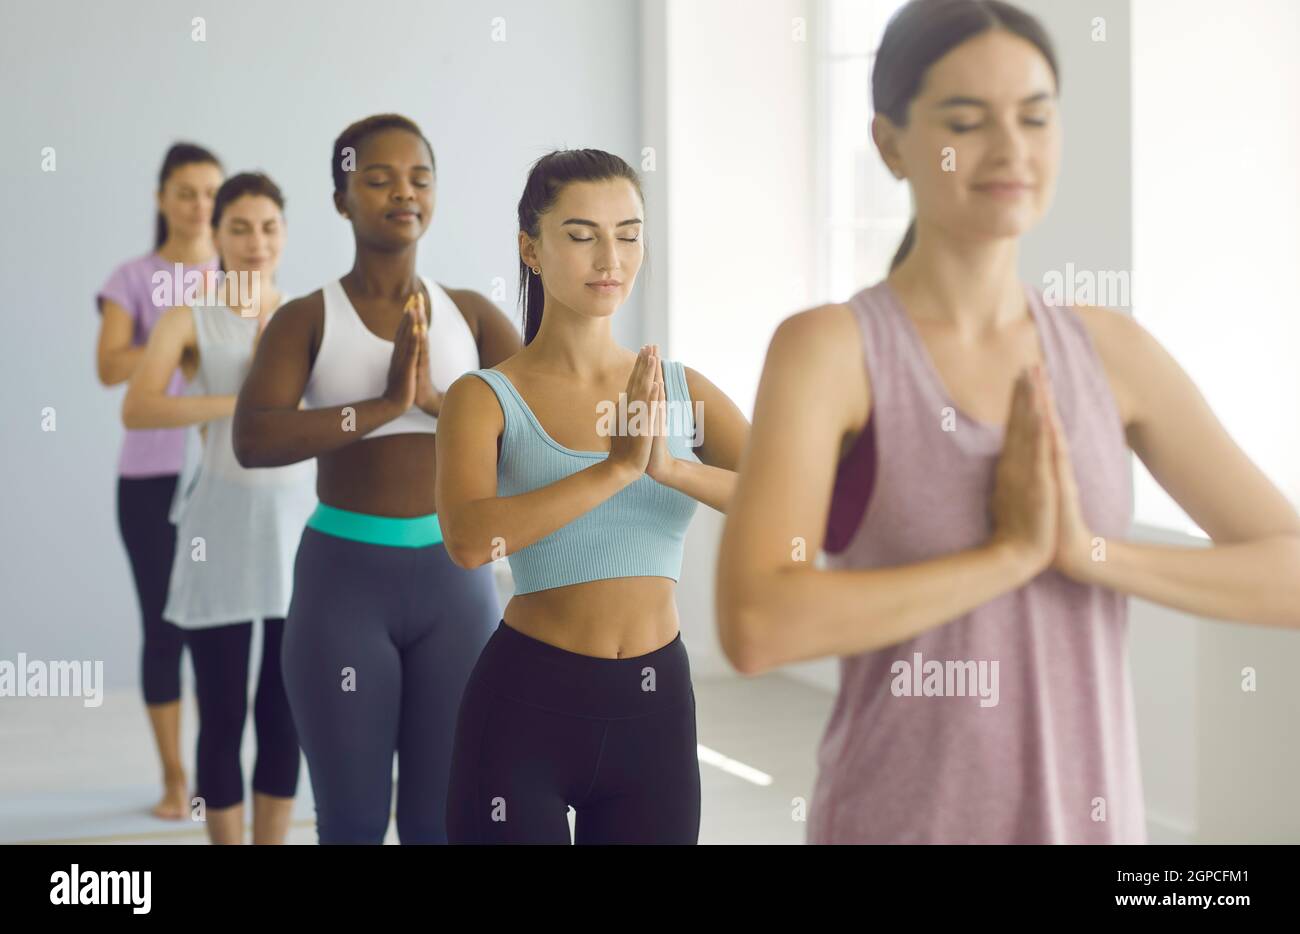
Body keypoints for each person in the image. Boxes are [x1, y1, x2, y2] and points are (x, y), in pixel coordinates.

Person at [716, 0, 1300, 845]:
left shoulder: (1113, 352)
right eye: (967, 121)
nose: (1011, 150)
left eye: (1035, 116)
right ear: (890, 144)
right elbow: (758, 625)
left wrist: (1091, 555)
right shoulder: (831, 351)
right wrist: (1007, 558)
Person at [436, 149, 750, 844]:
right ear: (532, 249)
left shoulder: (680, 388)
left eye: (629, 234)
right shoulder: (484, 398)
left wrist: (668, 469)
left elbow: (786, 504)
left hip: (656, 710)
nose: (610, 256)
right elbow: (467, 540)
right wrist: (610, 472)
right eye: (582, 235)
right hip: (525, 706)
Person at [232, 114, 521, 844]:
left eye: (420, 177)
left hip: (456, 583)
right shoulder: (306, 318)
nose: (404, 192)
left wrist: (436, 404)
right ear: (341, 198)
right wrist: (383, 407)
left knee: (438, 822)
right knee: (354, 823)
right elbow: (254, 437)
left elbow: (541, 434)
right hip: (342, 586)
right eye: (379, 177)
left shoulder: (474, 316)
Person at [123, 171, 312, 844]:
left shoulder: (308, 317)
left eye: (268, 227)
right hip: (220, 532)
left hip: (295, 531)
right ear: (218, 236)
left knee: (284, 710)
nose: (255, 242)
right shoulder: (191, 317)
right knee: (224, 708)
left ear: (284, 234)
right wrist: (242, 405)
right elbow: (139, 406)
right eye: (239, 227)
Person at [94, 142, 223, 819]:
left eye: (210, 192)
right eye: (186, 191)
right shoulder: (132, 278)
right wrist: (179, 336)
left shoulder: (237, 277)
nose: (199, 204)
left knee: (217, 628)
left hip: (223, 478)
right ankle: (175, 780)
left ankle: (213, 775)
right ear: (161, 196)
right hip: (148, 479)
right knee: (163, 627)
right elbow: (110, 366)